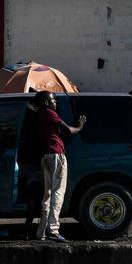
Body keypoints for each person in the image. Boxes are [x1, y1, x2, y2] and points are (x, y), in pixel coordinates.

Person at [34, 91, 86, 242]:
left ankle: (42, 231)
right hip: (56, 155)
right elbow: (69, 130)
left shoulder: (39, 116)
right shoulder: (49, 113)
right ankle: (53, 229)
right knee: (58, 191)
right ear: (45, 102)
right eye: (52, 100)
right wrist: (80, 126)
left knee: (47, 194)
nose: (55, 102)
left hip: (45, 156)